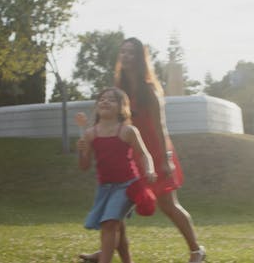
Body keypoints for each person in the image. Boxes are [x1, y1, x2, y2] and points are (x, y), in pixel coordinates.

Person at [79, 38, 206, 263]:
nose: (126, 56)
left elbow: (161, 128)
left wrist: (166, 159)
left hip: (155, 153)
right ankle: (106, 251)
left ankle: (196, 250)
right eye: (123, 52)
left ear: (140, 58)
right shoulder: (119, 89)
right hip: (130, 152)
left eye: (131, 53)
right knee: (118, 207)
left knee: (168, 204)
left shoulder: (148, 91)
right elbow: (105, 117)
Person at [76, 87, 157, 263]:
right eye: (102, 99)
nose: (105, 101)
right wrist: (82, 152)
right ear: (97, 106)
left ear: (122, 107)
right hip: (104, 188)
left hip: (128, 186)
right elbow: (84, 166)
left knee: (109, 223)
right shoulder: (90, 134)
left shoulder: (128, 131)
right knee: (117, 225)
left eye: (112, 99)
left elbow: (144, 154)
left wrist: (149, 170)